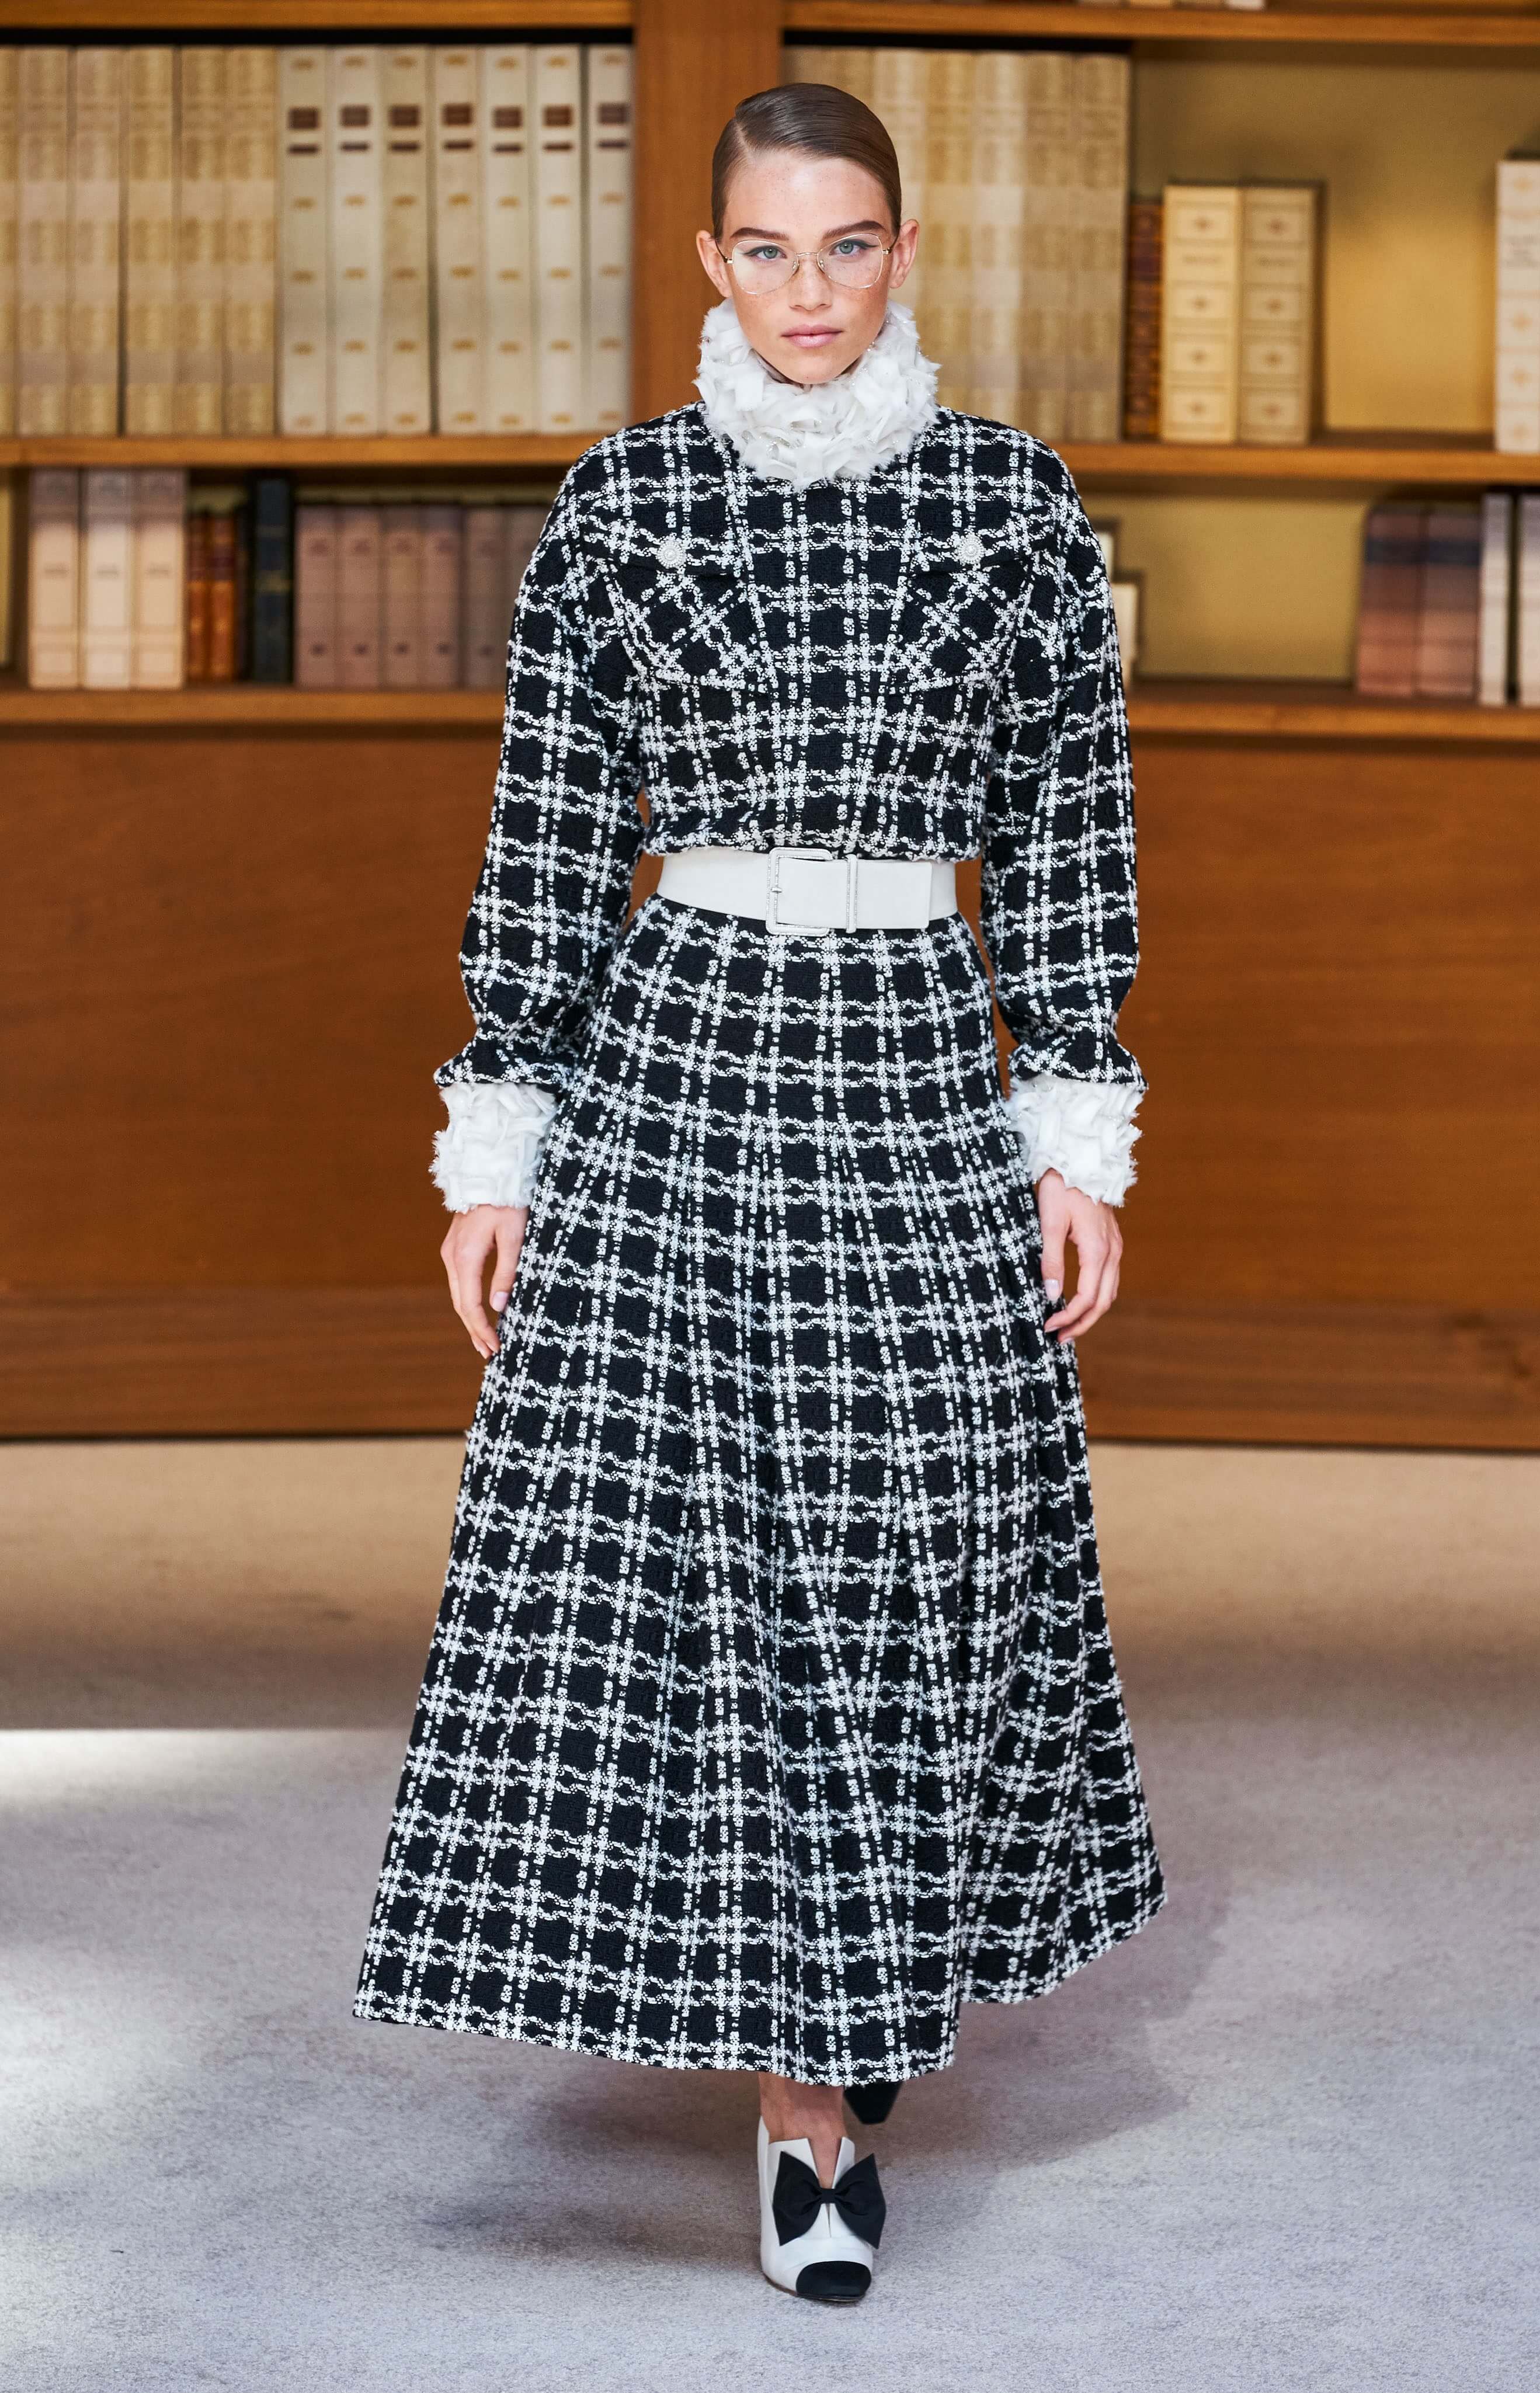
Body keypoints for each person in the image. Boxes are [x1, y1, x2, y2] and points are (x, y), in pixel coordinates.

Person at [353, 81, 1163, 2305]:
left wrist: (1071, 1114)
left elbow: (1071, 822)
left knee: (918, 1530)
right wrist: (498, 1127)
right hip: (680, 1053)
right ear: (711, 261)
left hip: (911, 1043)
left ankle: (852, 1974)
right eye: (771, 249)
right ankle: (808, 2105)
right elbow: (544, 830)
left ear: (902, 251)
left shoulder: (1009, 502)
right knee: (697, 1560)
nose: (812, 289)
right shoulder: (620, 503)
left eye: (850, 243)